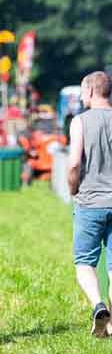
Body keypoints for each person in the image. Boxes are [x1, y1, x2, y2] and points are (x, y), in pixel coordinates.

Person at [66, 70, 112, 336]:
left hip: (90, 202)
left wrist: (73, 190)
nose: (82, 97)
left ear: (92, 91)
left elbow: (73, 164)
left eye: (83, 92)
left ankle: (98, 305)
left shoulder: (80, 121)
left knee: (84, 262)